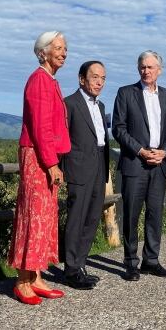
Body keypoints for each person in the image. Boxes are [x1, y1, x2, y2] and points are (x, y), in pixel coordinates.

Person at [8, 31, 71, 305]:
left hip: (44, 155)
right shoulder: (39, 80)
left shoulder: (50, 80)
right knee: (34, 215)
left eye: (65, 48)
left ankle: (36, 276)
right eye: (58, 47)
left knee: (46, 216)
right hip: (37, 155)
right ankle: (23, 281)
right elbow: (40, 127)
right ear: (42, 52)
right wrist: (51, 163)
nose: (63, 52)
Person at [113, 50, 166, 281]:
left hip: (159, 164)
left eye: (150, 67)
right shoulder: (125, 93)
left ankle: (151, 260)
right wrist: (141, 151)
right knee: (131, 215)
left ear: (159, 70)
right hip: (135, 163)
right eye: (142, 67)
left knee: (155, 214)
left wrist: (164, 152)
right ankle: (131, 263)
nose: (146, 71)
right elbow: (118, 128)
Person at [62, 61, 109, 290]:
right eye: (94, 77)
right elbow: (62, 139)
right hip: (79, 167)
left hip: (99, 164)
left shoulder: (100, 106)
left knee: (91, 218)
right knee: (76, 219)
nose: (99, 82)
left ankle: (80, 265)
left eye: (103, 78)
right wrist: (60, 168)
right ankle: (70, 270)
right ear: (82, 79)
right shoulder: (69, 103)